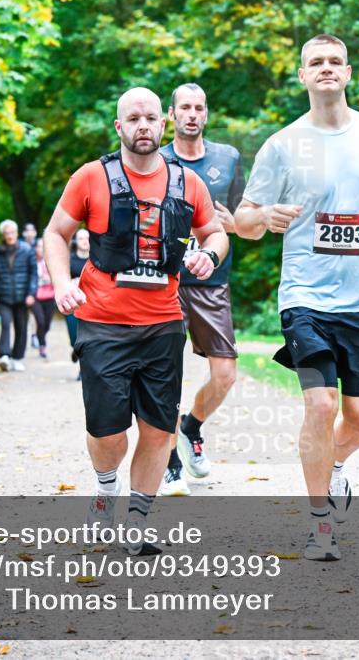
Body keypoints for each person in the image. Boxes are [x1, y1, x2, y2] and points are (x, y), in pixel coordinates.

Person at [234, 34, 359, 561]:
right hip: (306, 296)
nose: (327, 68)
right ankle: (320, 528)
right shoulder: (283, 144)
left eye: (335, 61)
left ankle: (332, 467)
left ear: (349, 72)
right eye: (317, 62)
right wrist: (264, 219)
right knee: (321, 403)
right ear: (302, 75)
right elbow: (243, 219)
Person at [43, 87, 228, 556]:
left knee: (158, 429)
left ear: (162, 125)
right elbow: (56, 232)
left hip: (163, 322)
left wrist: (208, 254)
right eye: (133, 118)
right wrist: (63, 282)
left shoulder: (188, 183)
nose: (143, 126)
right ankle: (107, 490)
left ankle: (138, 521)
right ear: (119, 126)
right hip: (102, 321)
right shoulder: (91, 177)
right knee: (108, 432)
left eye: (150, 118)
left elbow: (216, 233)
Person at [157, 83, 245, 497]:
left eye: (199, 108)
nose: (192, 114)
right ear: (171, 115)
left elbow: (244, 219)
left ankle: (191, 426)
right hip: (165, 280)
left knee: (224, 374)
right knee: (165, 374)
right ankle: (170, 461)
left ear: (206, 115)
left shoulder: (227, 158)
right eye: (184, 108)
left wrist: (233, 226)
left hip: (212, 279)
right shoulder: (155, 159)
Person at [0, 220, 38, 372]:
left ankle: (17, 358)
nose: (9, 236)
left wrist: (31, 293)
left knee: (21, 328)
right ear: (3, 235)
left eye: (12, 232)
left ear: (16, 233)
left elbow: (33, 274)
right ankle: (4, 356)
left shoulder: (27, 250)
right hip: (3, 296)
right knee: (5, 324)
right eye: (6, 233)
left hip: (23, 297)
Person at [66, 228, 91, 369]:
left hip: (92, 302)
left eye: (87, 238)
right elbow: (62, 280)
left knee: (88, 338)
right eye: (81, 238)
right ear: (76, 241)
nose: (85, 241)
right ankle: (75, 349)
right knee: (74, 336)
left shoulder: (95, 259)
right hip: (74, 302)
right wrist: (71, 283)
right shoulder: (69, 259)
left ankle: (83, 370)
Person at [32, 239, 57, 359]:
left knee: (46, 325)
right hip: (35, 296)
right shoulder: (31, 261)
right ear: (35, 248)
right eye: (39, 247)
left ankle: (39, 335)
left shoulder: (52, 261)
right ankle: (42, 345)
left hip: (50, 296)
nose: (41, 249)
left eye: (44, 246)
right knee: (40, 321)